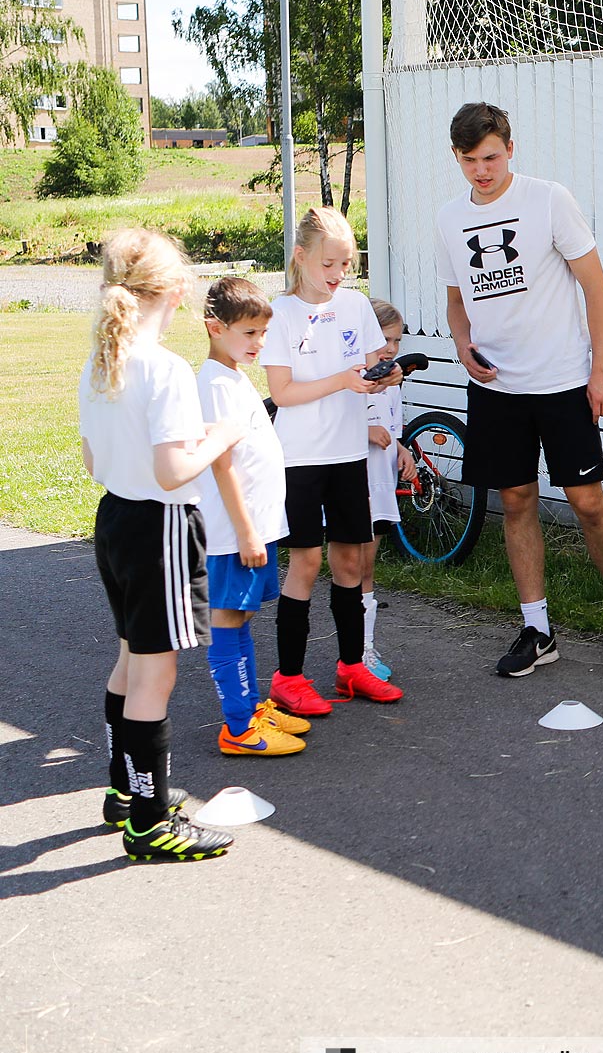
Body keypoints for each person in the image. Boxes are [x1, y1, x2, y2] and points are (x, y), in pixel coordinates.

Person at [435, 101, 603, 676]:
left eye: (490, 157)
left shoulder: (548, 199)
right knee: (515, 501)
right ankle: (537, 630)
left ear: (510, 149)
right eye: (470, 161)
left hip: (564, 382)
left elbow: (595, 287)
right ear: (457, 159)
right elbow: (456, 301)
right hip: (497, 390)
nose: (482, 171)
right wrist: (463, 346)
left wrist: (601, 370)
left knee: (587, 502)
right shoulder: (448, 219)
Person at [81, 229, 242, 860]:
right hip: (161, 527)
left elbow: (94, 460)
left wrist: (178, 443)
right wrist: (220, 435)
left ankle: (127, 791)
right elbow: (175, 472)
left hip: (116, 520)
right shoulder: (169, 368)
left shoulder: (103, 361)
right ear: (177, 289)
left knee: (130, 658)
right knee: (157, 671)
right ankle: (149, 822)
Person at [263, 206, 406, 714]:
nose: (338, 275)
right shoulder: (278, 315)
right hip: (299, 457)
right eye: (329, 264)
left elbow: (370, 366)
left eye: (346, 265)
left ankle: (351, 669)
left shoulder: (356, 306)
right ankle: (288, 678)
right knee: (305, 561)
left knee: (350, 559)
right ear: (300, 257)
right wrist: (345, 379)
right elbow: (281, 392)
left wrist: (387, 374)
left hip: (349, 454)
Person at [195, 276, 313, 756]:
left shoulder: (234, 377)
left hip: (253, 529)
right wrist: (246, 532)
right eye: (249, 334)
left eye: (263, 334)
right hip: (232, 534)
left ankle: (249, 709)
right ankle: (238, 728)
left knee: (242, 615)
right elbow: (221, 464)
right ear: (214, 328)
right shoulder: (214, 385)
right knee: (229, 616)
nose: (259, 343)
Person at [359, 298, 417, 682]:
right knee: (354, 566)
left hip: (380, 484)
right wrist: (365, 432)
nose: (391, 347)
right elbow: (330, 421)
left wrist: (401, 449)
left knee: (368, 567)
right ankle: (356, 651)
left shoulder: (392, 383)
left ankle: (364, 645)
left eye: (396, 340)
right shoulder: (349, 377)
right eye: (384, 337)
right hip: (353, 481)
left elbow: (391, 430)